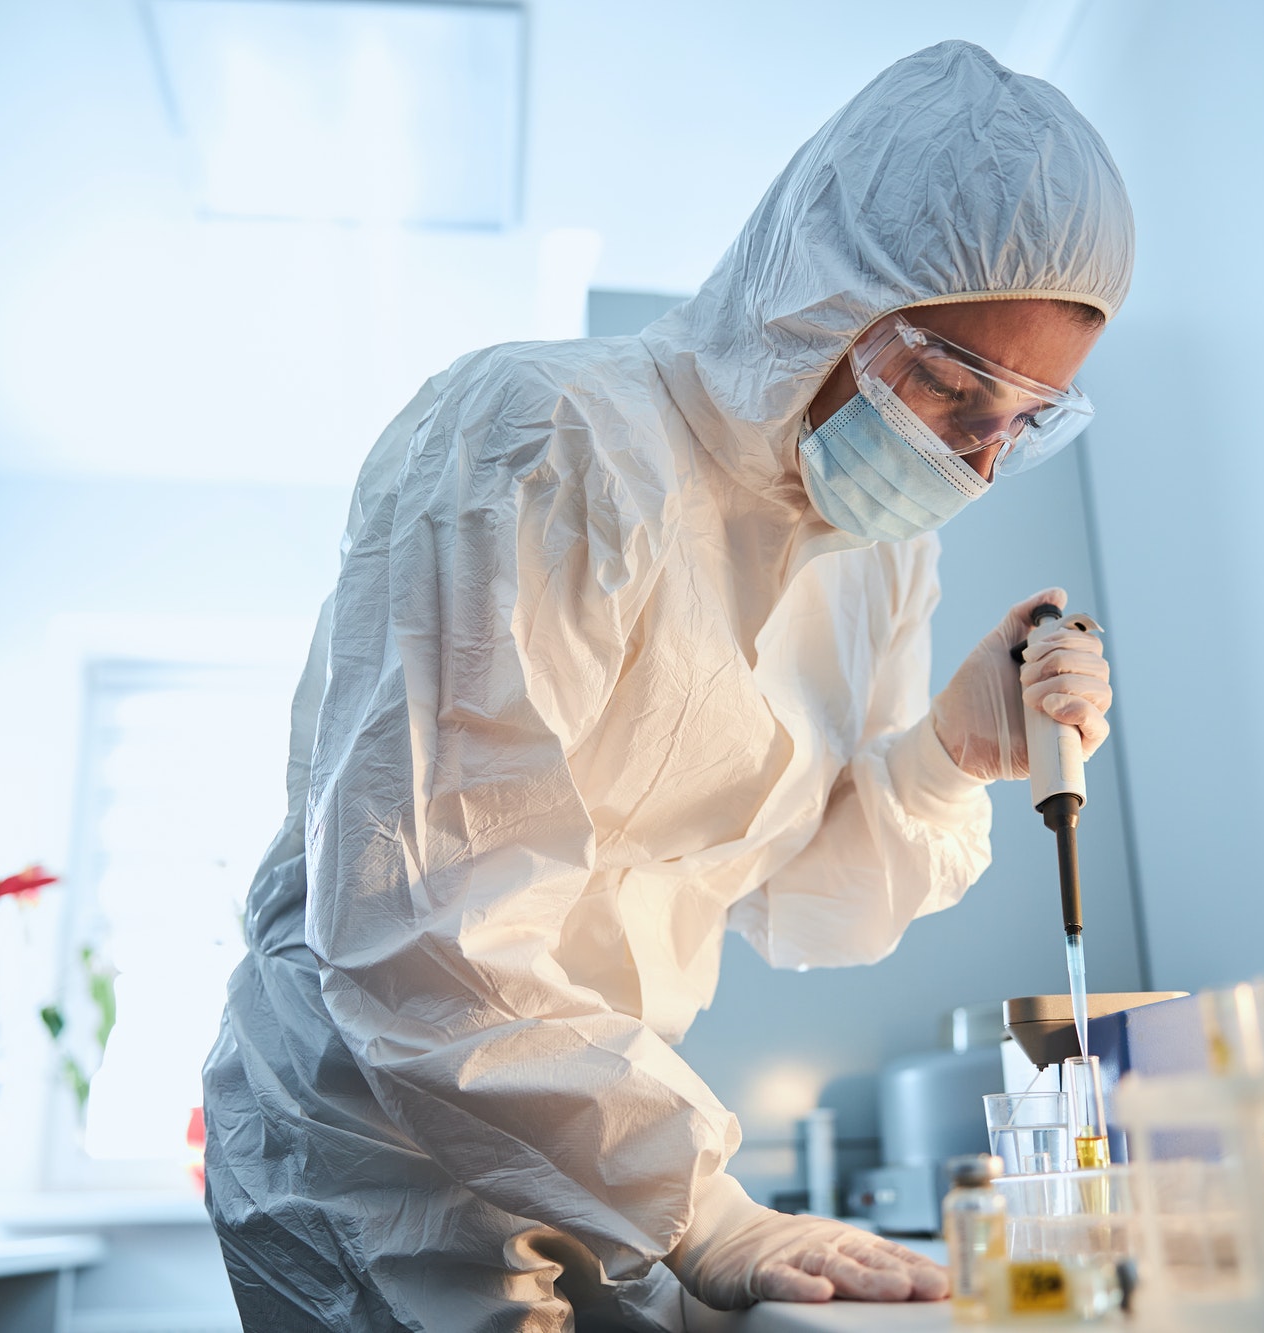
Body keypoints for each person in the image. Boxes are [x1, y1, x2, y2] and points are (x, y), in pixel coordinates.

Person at [202, 39, 1133, 1332]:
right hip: (377, 1151)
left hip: (607, 1152)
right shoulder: (544, 442)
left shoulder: (873, 553)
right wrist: (710, 1207)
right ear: (827, 288)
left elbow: (800, 908)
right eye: (950, 386)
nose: (976, 463)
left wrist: (942, 755)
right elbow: (420, 933)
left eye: (1025, 420)